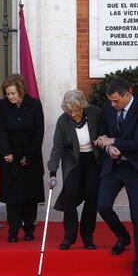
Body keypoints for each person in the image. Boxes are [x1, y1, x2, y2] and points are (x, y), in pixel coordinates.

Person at [95, 76, 138, 276]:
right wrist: (108, 146)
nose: (113, 105)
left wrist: (114, 141)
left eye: (116, 101)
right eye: (111, 101)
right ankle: (123, 236)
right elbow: (102, 135)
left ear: (127, 94)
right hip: (113, 166)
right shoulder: (108, 107)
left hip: (135, 167)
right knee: (103, 205)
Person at [48, 89, 102, 250]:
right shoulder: (63, 121)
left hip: (93, 160)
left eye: (76, 110)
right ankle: (69, 236)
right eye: (70, 111)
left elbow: (105, 132)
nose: (73, 114)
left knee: (92, 196)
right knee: (69, 195)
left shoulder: (95, 113)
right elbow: (57, 147)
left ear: (83, 106)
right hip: (73, 160)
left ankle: (87, 236)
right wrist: (53, 171)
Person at [0, 74, 45, 242]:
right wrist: (6, 152)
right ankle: (13, 231)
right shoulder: (3, 106)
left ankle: (29, 229)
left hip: (30, 157)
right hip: (11, 159)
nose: (10, 97)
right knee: (13, 197)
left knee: (30, 196)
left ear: (21, 90)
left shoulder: (34, 104)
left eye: (13, 93)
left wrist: (29, 155)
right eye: (8, 94)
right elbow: (1, 131)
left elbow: (39, 133)